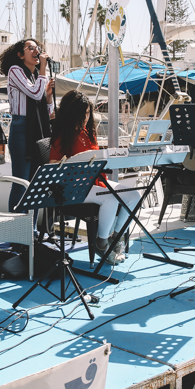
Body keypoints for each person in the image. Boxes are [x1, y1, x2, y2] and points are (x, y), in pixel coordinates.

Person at [49, 91, 140, 264]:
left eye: (88, 113)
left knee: (134, 196)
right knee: (109, 199)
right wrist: (73, 162)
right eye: (82, 113)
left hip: (94, 182)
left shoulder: (88, 132)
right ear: (71, 113)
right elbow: (53, 165)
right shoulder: (62, 135)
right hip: (73, 187)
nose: (86, 117)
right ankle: (101, 243)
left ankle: (116, 237)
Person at [0, 38, 54, 212]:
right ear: (20, 55)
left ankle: (32, 226)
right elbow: (35, 93)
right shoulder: (15, 70)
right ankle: (17, 226)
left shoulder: (38, 76)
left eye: (37, 48)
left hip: (37, 128)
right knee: (21, 182)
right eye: (30, 48)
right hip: (22, 128)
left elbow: (48, 110)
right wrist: (43, 68)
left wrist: (49, 96)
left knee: (36, 183)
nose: (36, 51)